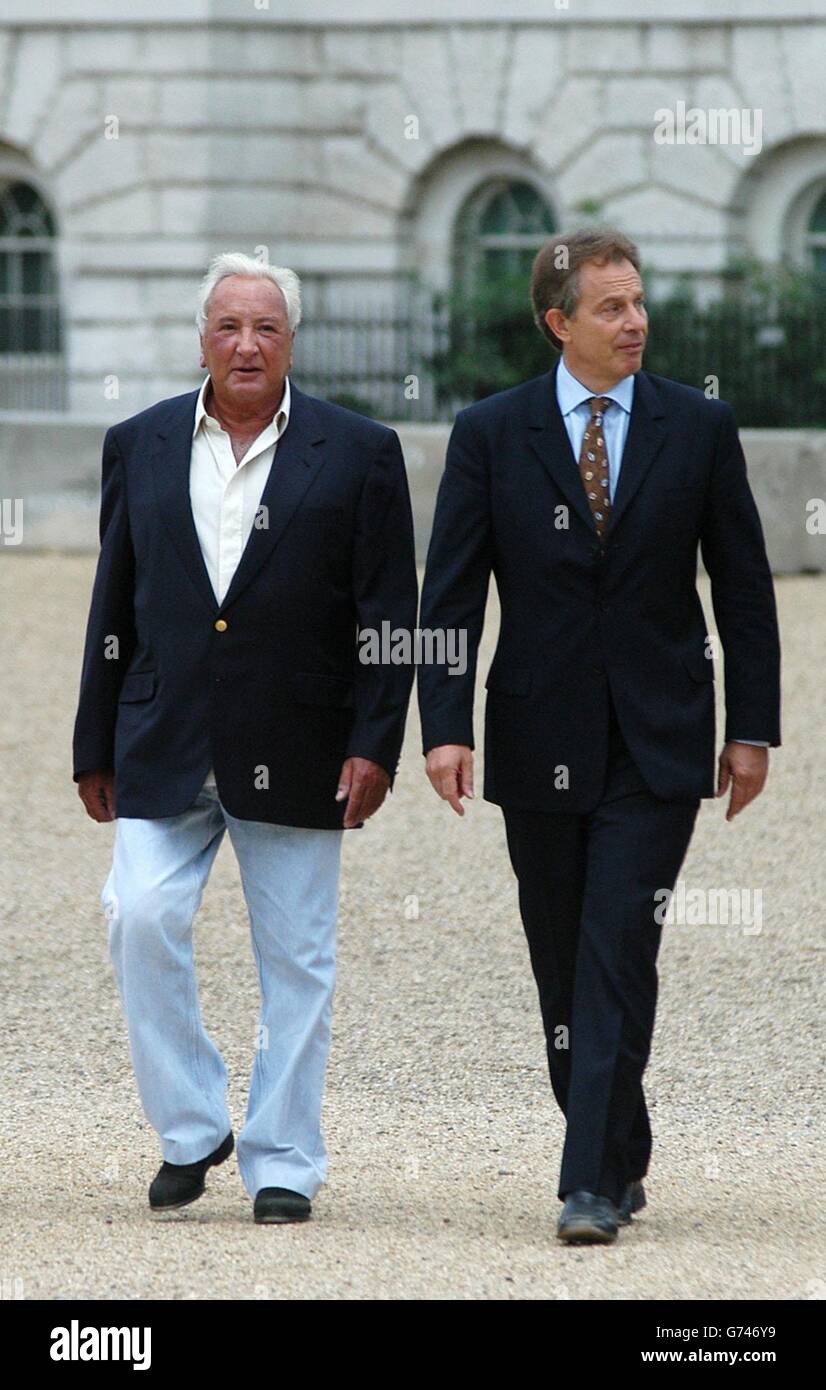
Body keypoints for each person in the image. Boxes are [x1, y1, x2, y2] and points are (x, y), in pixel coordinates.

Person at [417, 228, 780, 1244]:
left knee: (618, 943)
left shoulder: (697, 426)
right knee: (560, 956)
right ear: (557, 322)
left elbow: (743, 588)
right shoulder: (490, 433)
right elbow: (447, 596)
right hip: (536, 735)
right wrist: (442, 726)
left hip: (660, 737)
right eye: (611, 307)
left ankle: (586, 1183)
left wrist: (752, 729)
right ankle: (618, 1137)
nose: (635, 322)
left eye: (638, 302)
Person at [73, 252, 418, 1224]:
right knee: (136, 913)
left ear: (291, 341)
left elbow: (390, 609)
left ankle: (283, 1160)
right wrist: (92, 739)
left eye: (265, 327)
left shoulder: (358, 451)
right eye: (228, 326)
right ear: (201, 338)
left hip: (302, 737)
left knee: (298, 960)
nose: (246, 344)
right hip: (163, 737)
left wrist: (375, 742)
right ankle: (191, 1126)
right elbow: (115, 600)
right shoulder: (136, 444)